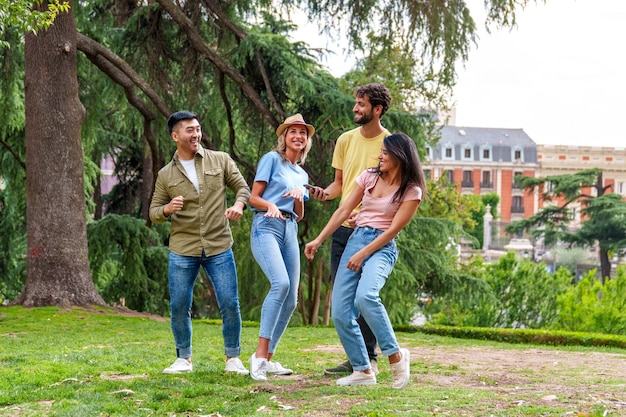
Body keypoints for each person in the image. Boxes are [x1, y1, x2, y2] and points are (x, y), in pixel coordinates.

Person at [305, 132, 426, 389]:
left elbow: (393, 230)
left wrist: (362, 254)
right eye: (380, 151)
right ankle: (362, 370)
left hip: (382, 247)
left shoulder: (411, 190)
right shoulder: (369, 176)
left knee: (366, 296)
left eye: (385, 152)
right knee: (339, 311)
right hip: (356, 239)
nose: (379, 155)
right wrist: (318, 239)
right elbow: (344, 210)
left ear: (400, 156)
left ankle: (395, 355)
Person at [149, 110, 251, 375]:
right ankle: (183, 358)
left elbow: (243, 188)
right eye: (189, 130)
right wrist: (168, 209)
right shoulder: (165, 175)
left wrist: (239, 205)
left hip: (219, 245)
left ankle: (233, 358)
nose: (195, 134)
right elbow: (154, 212)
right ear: (175, 136)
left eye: (197, 129)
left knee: (230, 302)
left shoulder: (220, 160)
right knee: (179, 304)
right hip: (183, 248)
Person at [308, 83, 392, 375]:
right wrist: (324, 194)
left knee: (364, 295)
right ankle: (357, 358)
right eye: (356, 103)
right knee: (343, 294)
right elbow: (340, 185)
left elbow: (390, 189)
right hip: (343, 230)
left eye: (361, 104)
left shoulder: (390, 145)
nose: (355, 108)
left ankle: (370, 358)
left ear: (377, 109)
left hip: (370, 232)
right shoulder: (345, 140)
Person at [247, 113, 314, 381]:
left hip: (289, 229)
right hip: (266, 226)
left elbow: (299, 214)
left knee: (292, 298)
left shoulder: (302, 174)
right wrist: (270, 205)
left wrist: (299, 198)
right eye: (293, 131)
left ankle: (269, 358)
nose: (298, 136)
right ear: (284, 137)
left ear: (307, 141)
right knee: (281, 284)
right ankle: (259, 357)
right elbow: (254, 198)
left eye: (303, 133)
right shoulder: (271, 159)